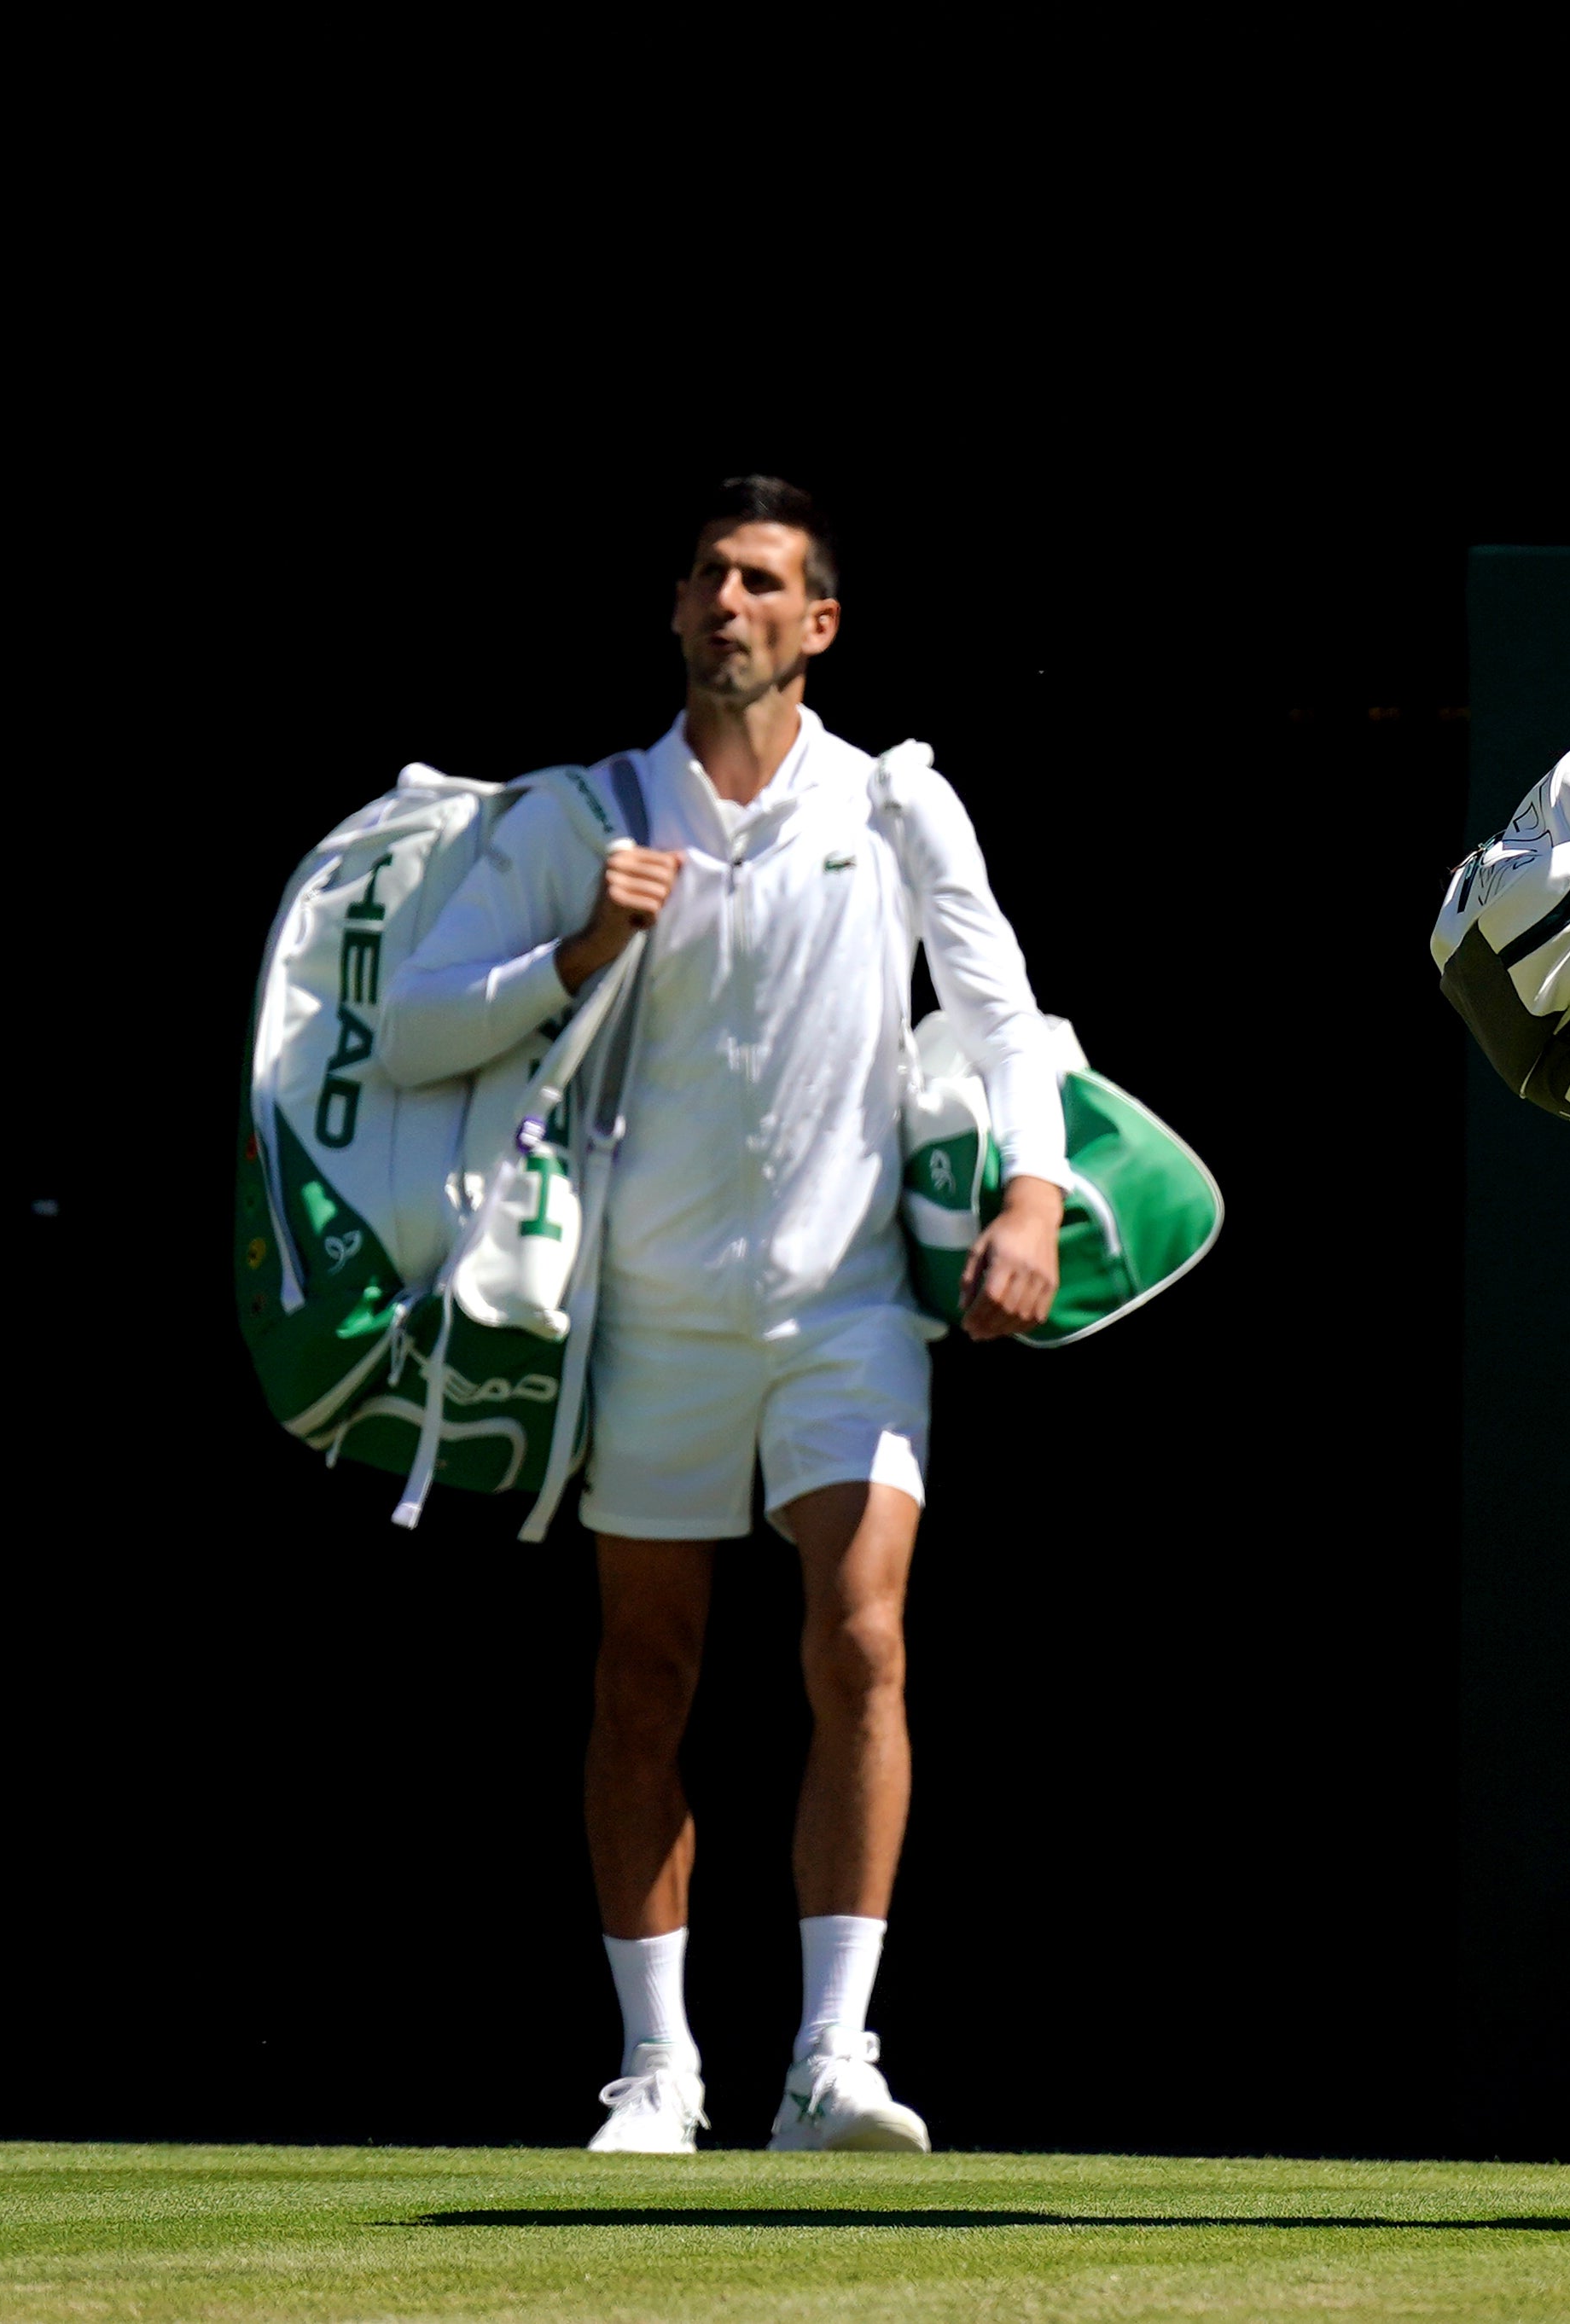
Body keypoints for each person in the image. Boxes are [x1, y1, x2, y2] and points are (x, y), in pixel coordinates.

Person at [387, 476, 1073, 2154]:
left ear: (818, 625)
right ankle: (658, 2072)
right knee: (645, 1676)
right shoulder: (584, 816)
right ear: (675, 610)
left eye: (762, 582)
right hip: (650, 1322)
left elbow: (1002, 1014)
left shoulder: (898, 806)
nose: (726, 603)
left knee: (862, 1642)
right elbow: (408, 1030)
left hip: (847, 1315)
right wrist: (576, 950)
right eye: (705, 577)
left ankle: (833, 2060)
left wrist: (1034, 1203)